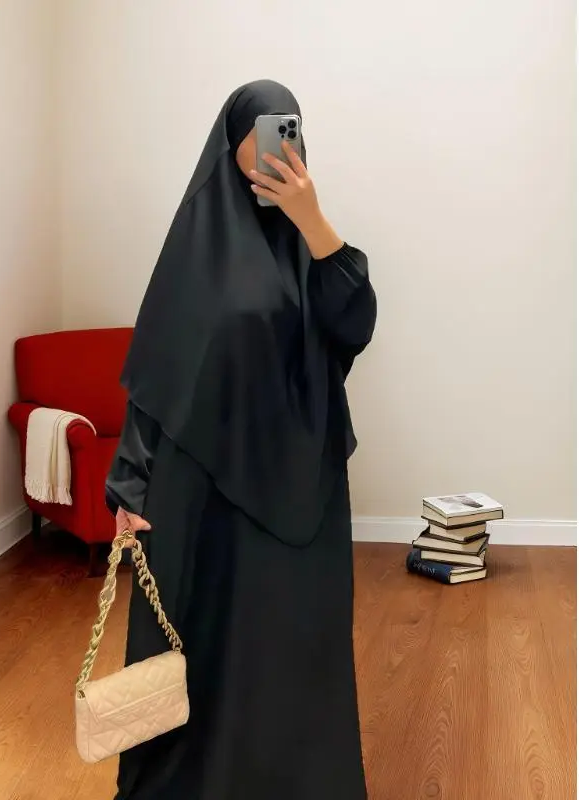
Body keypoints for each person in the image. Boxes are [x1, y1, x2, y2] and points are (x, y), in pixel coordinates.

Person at [105, 79, 377, 800]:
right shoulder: (194, 246)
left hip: (299, 486)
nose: (274, 149)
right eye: (259, 135)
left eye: (288, 132)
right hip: (198, 488)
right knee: (200, 641)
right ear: (230, 147)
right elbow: (157, 371)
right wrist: (129, 483)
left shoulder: (311, 246)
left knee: (289, 645)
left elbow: (355, 324)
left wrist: (312, 218)